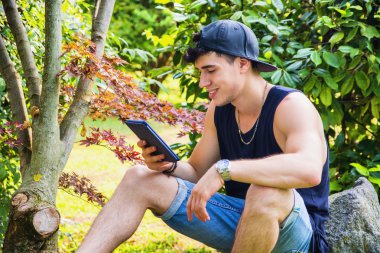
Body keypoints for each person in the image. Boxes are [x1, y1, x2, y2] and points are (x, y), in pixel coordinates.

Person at [77, 20, 329, 253]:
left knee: (266, 192)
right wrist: (170, 166)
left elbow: (308, 169)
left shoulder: (290, 106)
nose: (202, 82)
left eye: (210, 70)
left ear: (242, 63)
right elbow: (198, 172)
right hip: (242, 224)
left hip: (296, 237)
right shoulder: (219, 110)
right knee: (138, 178)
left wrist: (225, 169)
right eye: (200, 72)